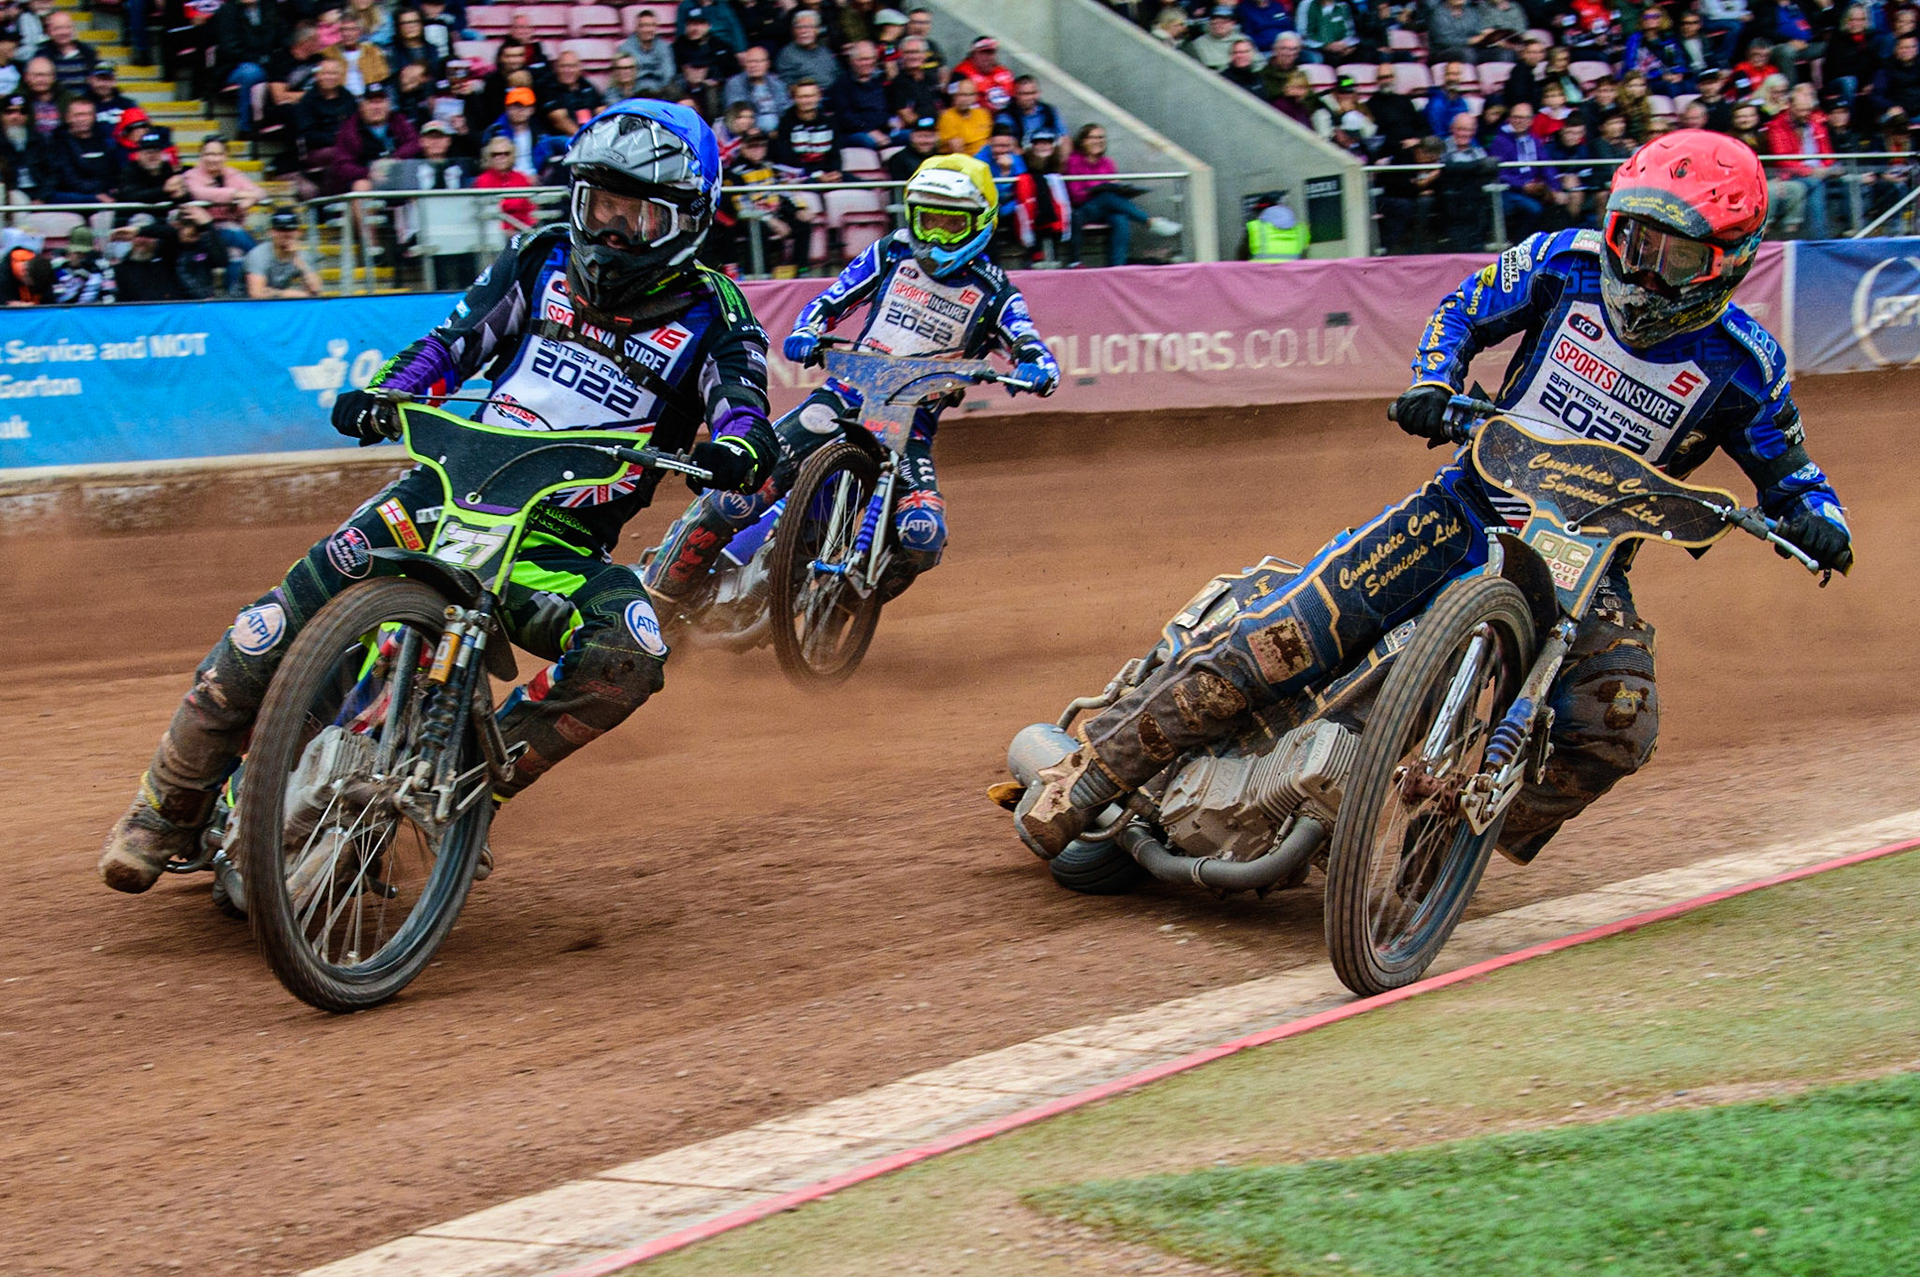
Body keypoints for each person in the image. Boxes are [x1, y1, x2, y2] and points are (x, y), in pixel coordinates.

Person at [1016, 130, 1854, 866]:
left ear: (1726, 260)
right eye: (1632, 237)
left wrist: (1821, 519)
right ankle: (1085, 778)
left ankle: (1460, 838)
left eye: (1670, 252)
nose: (1641, 265)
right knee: (1279, 637)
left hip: (1591, 561)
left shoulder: (1748, 367)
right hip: (1465, 506)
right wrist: (1433, 380)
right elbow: (1462, 311)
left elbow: (1792, 474)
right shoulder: (1563, 264)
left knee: (1619, 726)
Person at [99, 101, 779, 895]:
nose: (610, 230)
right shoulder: (539, 259)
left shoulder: (717, 313)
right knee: (269, 627)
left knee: (630, 647)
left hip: (554, 545)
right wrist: (389, 392)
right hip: (442, 491)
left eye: (634, 213)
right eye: (599, 204)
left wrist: (739, 444)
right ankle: (163, 811)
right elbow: (452, 345)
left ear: (687, 221)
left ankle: (470, 791)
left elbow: (741, 400)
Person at [644, 153, 1058, 619]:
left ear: (980, 223)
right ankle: (658, 592)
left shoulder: (995, 290)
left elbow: (1025, 339)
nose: (936, 236)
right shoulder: (891, 252)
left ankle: (840, 606)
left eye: (951, 224)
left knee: (923, 534)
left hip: (910, 424)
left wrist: (1037, 366)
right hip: (842, 398)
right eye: (928, 220)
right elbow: (830, 300)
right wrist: (808, 330)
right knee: (741, 490)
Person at [1064, 121, 1182, 265]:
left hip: (1107, 209)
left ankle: (1117, 266)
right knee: (1106, 196)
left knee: (1120, 218)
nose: (1099, 141)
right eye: (1093, 138)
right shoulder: (1074, 161)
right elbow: (1075, 196)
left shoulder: (1107, 163)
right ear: (1083, 141)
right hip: (1084, 210)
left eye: (1101, 137)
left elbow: (1114, 188)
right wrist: (1101, 188)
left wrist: (1119, 189)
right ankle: (1150, 221)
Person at [36, 96, 120, 205]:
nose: (83, 119)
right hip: (71, 198)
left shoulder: (106, 142)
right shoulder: (56, 143)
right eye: (78, 115)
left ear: (94, 117)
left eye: (87, 114)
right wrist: (95, 196)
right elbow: (68, 179)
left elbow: (114, 173)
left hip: (103, 197)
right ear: (67, 118)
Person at [214, 0, 279, 136]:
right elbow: (229, 48)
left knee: (279, 69)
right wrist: (258, 58)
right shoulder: (227, 11)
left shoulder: (270, 8)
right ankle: (246, 126)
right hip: (233, 66)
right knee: (252, 73)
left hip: (266, 61)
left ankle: (268, 120)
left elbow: (278, 37)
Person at [244, 206, 323, 297]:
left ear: (298, 232)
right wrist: (301, 295)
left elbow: (316, 291)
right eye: (280, 230)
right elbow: (257, 294)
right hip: (242, 305)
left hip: (277, 303)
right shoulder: (258, 255)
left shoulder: (302, 255)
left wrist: (300, 262)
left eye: (290, 230)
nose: (285, 234)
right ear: (271, 232)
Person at [473, 132, 536, 230]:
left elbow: (531, 209)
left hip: (523, 230)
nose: (501, 157)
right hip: (494, 232)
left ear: (512, 156)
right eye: (495, 154)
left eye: (506, 154)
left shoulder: (521, 178)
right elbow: (489, 213)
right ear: (488, 157)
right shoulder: (482, 181)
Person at [723, 44, 790, 133]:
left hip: (779, 133)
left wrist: (782, 130)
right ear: (744, 64)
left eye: (759, 62)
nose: (754, 65)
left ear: (767, 64)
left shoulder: (777, 82)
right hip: (749, 133)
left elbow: (785, 109)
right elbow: (737, 113)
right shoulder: (735, 83)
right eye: (750, 62)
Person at [542, 50, 604, 138]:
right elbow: (559, 120)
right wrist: (584, 138)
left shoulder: (587, 86)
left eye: (572, 66)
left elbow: (602, 112)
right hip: (563, 139)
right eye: (563, 66)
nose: (567, 70)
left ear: (579, 69)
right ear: (556, 68)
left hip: (590, 136)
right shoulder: (550, 88)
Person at [617, 9, 678, 97]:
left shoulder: (665, 47)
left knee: (686, 102)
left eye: (651, 25)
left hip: (661, 91)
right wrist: (652, 73)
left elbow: (668, 74)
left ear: (656, 27)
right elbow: (625, 77)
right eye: (643, 26)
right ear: (636, 28)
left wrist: (643, 73)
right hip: (634, 92)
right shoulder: (625, 48)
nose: (647, 30)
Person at [997, 74, 1067, 146]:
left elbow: (1064, 136)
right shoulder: (1006, 116)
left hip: (1048, 151)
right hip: (1021, 153)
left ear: (1039, 93)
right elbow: (1005, 143)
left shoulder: (1049, 111)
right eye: (1024, 94)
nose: (1029, 98)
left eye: (1033, 93)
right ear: (1015, 94)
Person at [887, 113, 941, 180]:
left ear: (937, 137)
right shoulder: (899, 159)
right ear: (911, 137)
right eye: (920, 136)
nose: (925, 141)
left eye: (929, 136)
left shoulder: (944, 158)